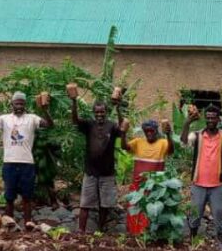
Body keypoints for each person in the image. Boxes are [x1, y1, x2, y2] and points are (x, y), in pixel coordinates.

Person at [0, 91, 53, 227]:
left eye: (22, 103)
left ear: (25, 104)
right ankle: (10, 224)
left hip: (27, 164)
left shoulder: (32, 118)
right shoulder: (4, 119)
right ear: (12, 104)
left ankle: (28, 222)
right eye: (17, 103)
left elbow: (49, 125)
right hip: (9, 163)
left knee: (27, 196)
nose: (19, 106)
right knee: (9, 197)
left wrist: (45, 110)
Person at [180, 105, 222, 243]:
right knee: (195, 214)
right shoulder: (197, 135)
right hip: (199, 183)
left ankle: (220, 240)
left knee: (219, 212)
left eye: (213, 118)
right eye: (208, 118)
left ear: (218, 119)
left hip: (217, 184)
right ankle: (193, 238)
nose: (210, 120)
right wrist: (187, 122)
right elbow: (183, 143)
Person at [68, 90, 122, 233]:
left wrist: (118, 107)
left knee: (105, 204)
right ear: (93, 112)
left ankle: (100, 229)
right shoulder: (89, 125)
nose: (99, 114)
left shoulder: (111, 126)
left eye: (102, 112)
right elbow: (75, 120)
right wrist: (73, 101)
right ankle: (81, 230)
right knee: (85, 203)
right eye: (97, 112)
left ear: (106, 112)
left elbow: (122, 127)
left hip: (107, 172)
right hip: (90, 171)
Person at [123, 119, 174, 188]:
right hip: (138, 185)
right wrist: (123, 132)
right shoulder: (138, 142)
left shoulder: (163, 143)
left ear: (156, 131)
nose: (149, 133)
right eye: (146, 131)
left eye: (151, 131)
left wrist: (168, 134)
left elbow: (171, 151)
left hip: (155, 186)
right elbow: (124, 147)